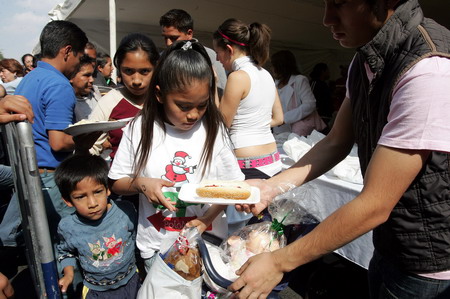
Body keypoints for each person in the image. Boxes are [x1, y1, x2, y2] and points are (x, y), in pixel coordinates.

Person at [229, 1, 450, 298]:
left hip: (426, 264)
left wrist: (280, 261)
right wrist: (271, 187)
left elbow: (375, 204)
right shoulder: (365, 61)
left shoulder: (427, 69)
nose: (326, 19)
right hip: (388, 246)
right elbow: (335, 141)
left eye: (340, 4)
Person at [108, 40, 245, 273]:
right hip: (158, 247)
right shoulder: (140, 128)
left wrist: (205, 219)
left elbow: (232, 186)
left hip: (207, 244)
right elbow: (116, 182)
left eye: (202, 106)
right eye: (183, 106)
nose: (193, 115)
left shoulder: (213, 129)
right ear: (160, 94)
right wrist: (141, 184)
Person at [55, 154, 140, 298]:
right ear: (68, 201)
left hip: (132, 282)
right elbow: (65, 252)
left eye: (98, 192)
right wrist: (69, 274)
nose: (92, 203)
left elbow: (136, 239)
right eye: (81, 197)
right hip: (96, 292)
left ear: (107, 189)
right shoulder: (67, 226)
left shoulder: (125, 211)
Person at [89, 33, 159, 160]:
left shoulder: (166, 100)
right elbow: (90, 147)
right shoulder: (109, 102)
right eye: (128, 71)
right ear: (119, 69)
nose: (136, 80)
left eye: (144, 71)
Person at [159, 9, 227, 96]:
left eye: (173, 38)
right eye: (165, 37)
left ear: (189, 34)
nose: (168, 43)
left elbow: (221, 92)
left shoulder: (209, 56)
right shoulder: (161, 58)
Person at [271, 50, 325, 136]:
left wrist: (285, 118)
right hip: (280, 130)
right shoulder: (275, 84)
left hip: (299, 131)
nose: (272, 69)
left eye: (274, 66)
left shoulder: (299, 80)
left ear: (281, 66)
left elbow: (310, 104)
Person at [70, 55, 102, 121]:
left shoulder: (96, 94)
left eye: (92, 75)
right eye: (87, 75)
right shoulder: (66, 101)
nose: (92, 80)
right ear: (71, 76)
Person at [310, 62, 333, 128]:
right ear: (323, 71)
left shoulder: (324, 84)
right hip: (319, 117)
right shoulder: (315, 83)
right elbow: (311, 100)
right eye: (327, 70)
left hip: (326, 117)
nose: (329, 73)